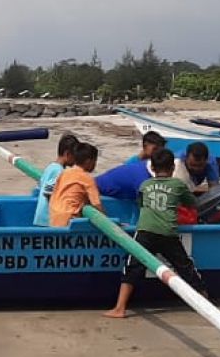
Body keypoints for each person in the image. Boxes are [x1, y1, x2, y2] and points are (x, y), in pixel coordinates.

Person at [104, 147, 206, 318]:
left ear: (152, 168)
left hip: (145, 231)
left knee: (132, 268)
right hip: (168, 231)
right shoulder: (179, 185)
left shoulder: (144, 185)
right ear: (173, 168)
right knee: (185, 267)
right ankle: (205, 301)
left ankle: (120, 308)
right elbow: (192, 204)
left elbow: (142, 204)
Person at [95, 131, 167, 200]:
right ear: (145, 146)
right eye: (155, 149)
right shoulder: (132, 164)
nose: (159, 152)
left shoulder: (154, 162)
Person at [48, 142, 104, 227]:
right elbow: (97, 205)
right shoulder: (87, 178)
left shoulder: (65, 173)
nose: (95, 165)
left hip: (53, 217)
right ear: (88, 161)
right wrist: (111, 223)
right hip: (69, 220)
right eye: (95, 161)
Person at [32, 134, 79, 226]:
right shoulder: (58, 171)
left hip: (42, 219)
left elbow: (39, 187)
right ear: (67, 154)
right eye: (75, 156)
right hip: (48, 221)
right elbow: (48, 193)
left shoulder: (50, 167)